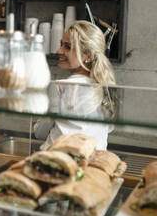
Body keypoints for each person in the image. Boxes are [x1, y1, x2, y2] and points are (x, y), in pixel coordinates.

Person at [34, 20, 116, 151]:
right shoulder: (103, 85)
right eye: (61, 44)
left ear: (88, 56)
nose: (58, 50)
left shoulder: (65, 86)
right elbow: (109, 129)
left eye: (67, 47)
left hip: (57, 164)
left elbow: (40, 132)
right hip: (92, 162)